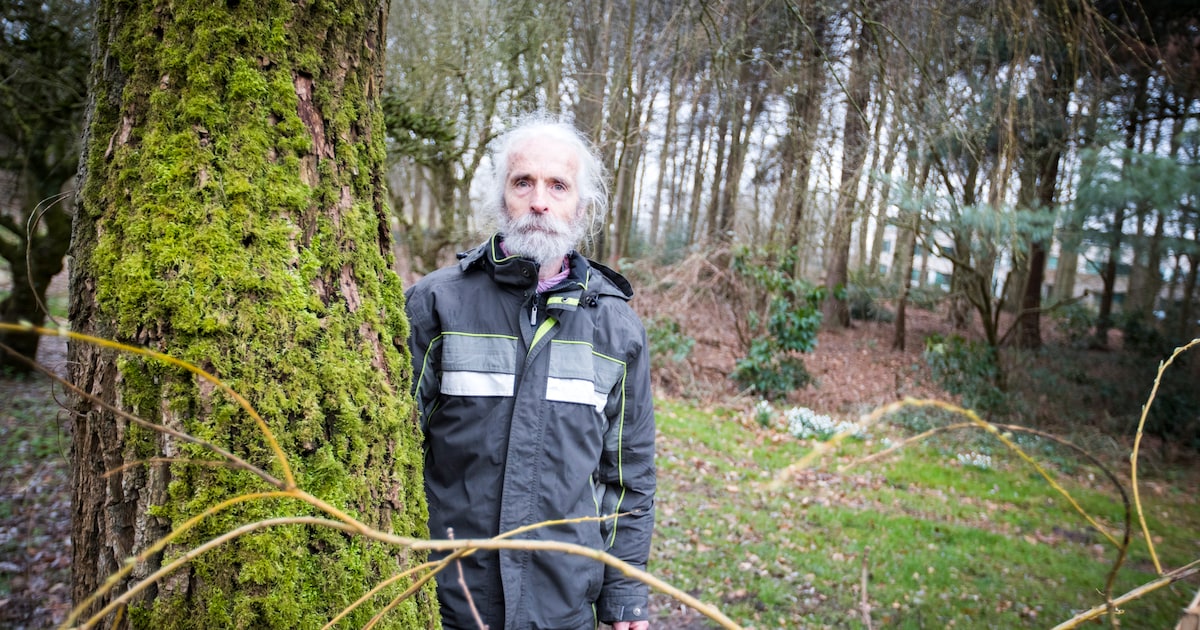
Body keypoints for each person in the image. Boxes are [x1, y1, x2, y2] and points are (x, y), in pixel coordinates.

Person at [404, 113, 656, 630]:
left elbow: (628, 477)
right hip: (447, 597)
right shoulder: (436, 303)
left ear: (581, 207)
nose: (539, 201)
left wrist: (625, 592)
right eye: (523, 182)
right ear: (502, 198)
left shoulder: (618, 331)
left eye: (558, 185)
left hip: (562, 605)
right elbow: (391, 450)